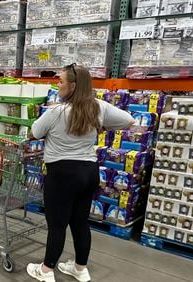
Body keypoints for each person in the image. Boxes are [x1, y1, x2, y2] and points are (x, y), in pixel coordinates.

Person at [26, 64, 135, 282]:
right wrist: (103, 126)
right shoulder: (98, 108)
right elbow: (129, 120)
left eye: (61, 82)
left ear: (73, 86)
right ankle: (80, 268)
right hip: (89, 173)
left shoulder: (56, 111)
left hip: (62, 173)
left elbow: (35, 132)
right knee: (80, 222)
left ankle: (46, 271)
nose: (58, 85)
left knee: (57, 224)